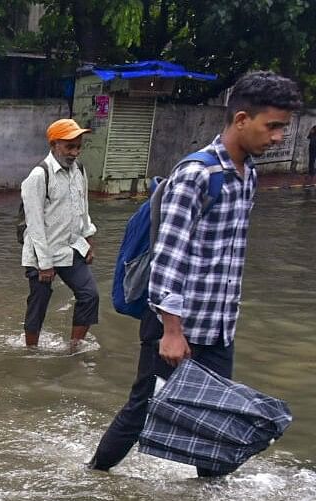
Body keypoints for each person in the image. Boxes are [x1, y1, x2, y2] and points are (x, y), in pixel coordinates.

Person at [89, 71, 303, 476]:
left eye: (282, 128)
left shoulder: (247, 176)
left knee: (217, 421)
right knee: (142, 409)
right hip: (176, 325)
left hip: (218, 326)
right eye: (272, 126)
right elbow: (170, 256)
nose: (278, 137)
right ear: (242, 119)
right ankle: (93, 478)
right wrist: (172, 329)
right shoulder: (197, 175)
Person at [20, 118, 99, 350]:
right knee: (39, 303)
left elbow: (83, 208)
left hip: (71, 247)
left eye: (78, 146)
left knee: (90, 295)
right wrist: (45, 264)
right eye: (69, 146)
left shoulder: (79, 170)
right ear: (54, 145)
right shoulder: (38, 176)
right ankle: (30, 351)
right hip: (42, 251)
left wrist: (88, 239)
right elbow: (33, 224)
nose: (75, 152)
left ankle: (74, 348)